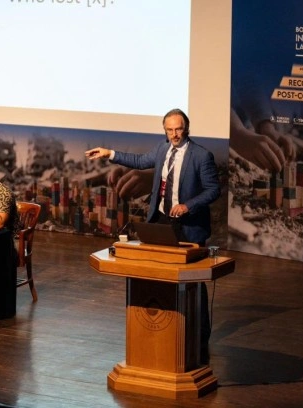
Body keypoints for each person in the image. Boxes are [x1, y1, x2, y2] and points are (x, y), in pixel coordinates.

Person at [85, 108, 220, 364]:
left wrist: (188, 205)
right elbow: (138, 161)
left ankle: (199, 336)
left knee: (193, 280)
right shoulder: (162, 149)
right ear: (165, 131)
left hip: (188, 225)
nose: (174, 134)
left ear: (186, 129)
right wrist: (109, 153)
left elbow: (213, 190)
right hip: (161, 220)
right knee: (157, 272)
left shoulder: (201, 155)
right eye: (170, 130)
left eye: (178, 129)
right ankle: (164, 325)